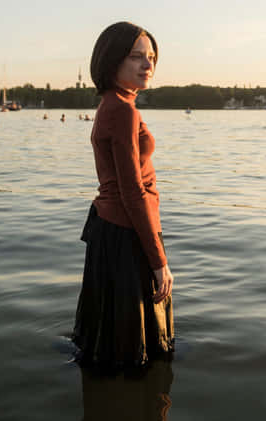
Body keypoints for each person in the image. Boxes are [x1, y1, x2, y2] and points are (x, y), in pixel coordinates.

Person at [73, 21, 174, 372]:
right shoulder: (122, 110)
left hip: (114, 230)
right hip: (126, 231)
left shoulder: (113, 104)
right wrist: (158, 260)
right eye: (136, 57)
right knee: (135, 350)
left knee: (111, 341)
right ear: (112, 60)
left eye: (151, 57)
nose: (148, 64)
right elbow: (132, 191)